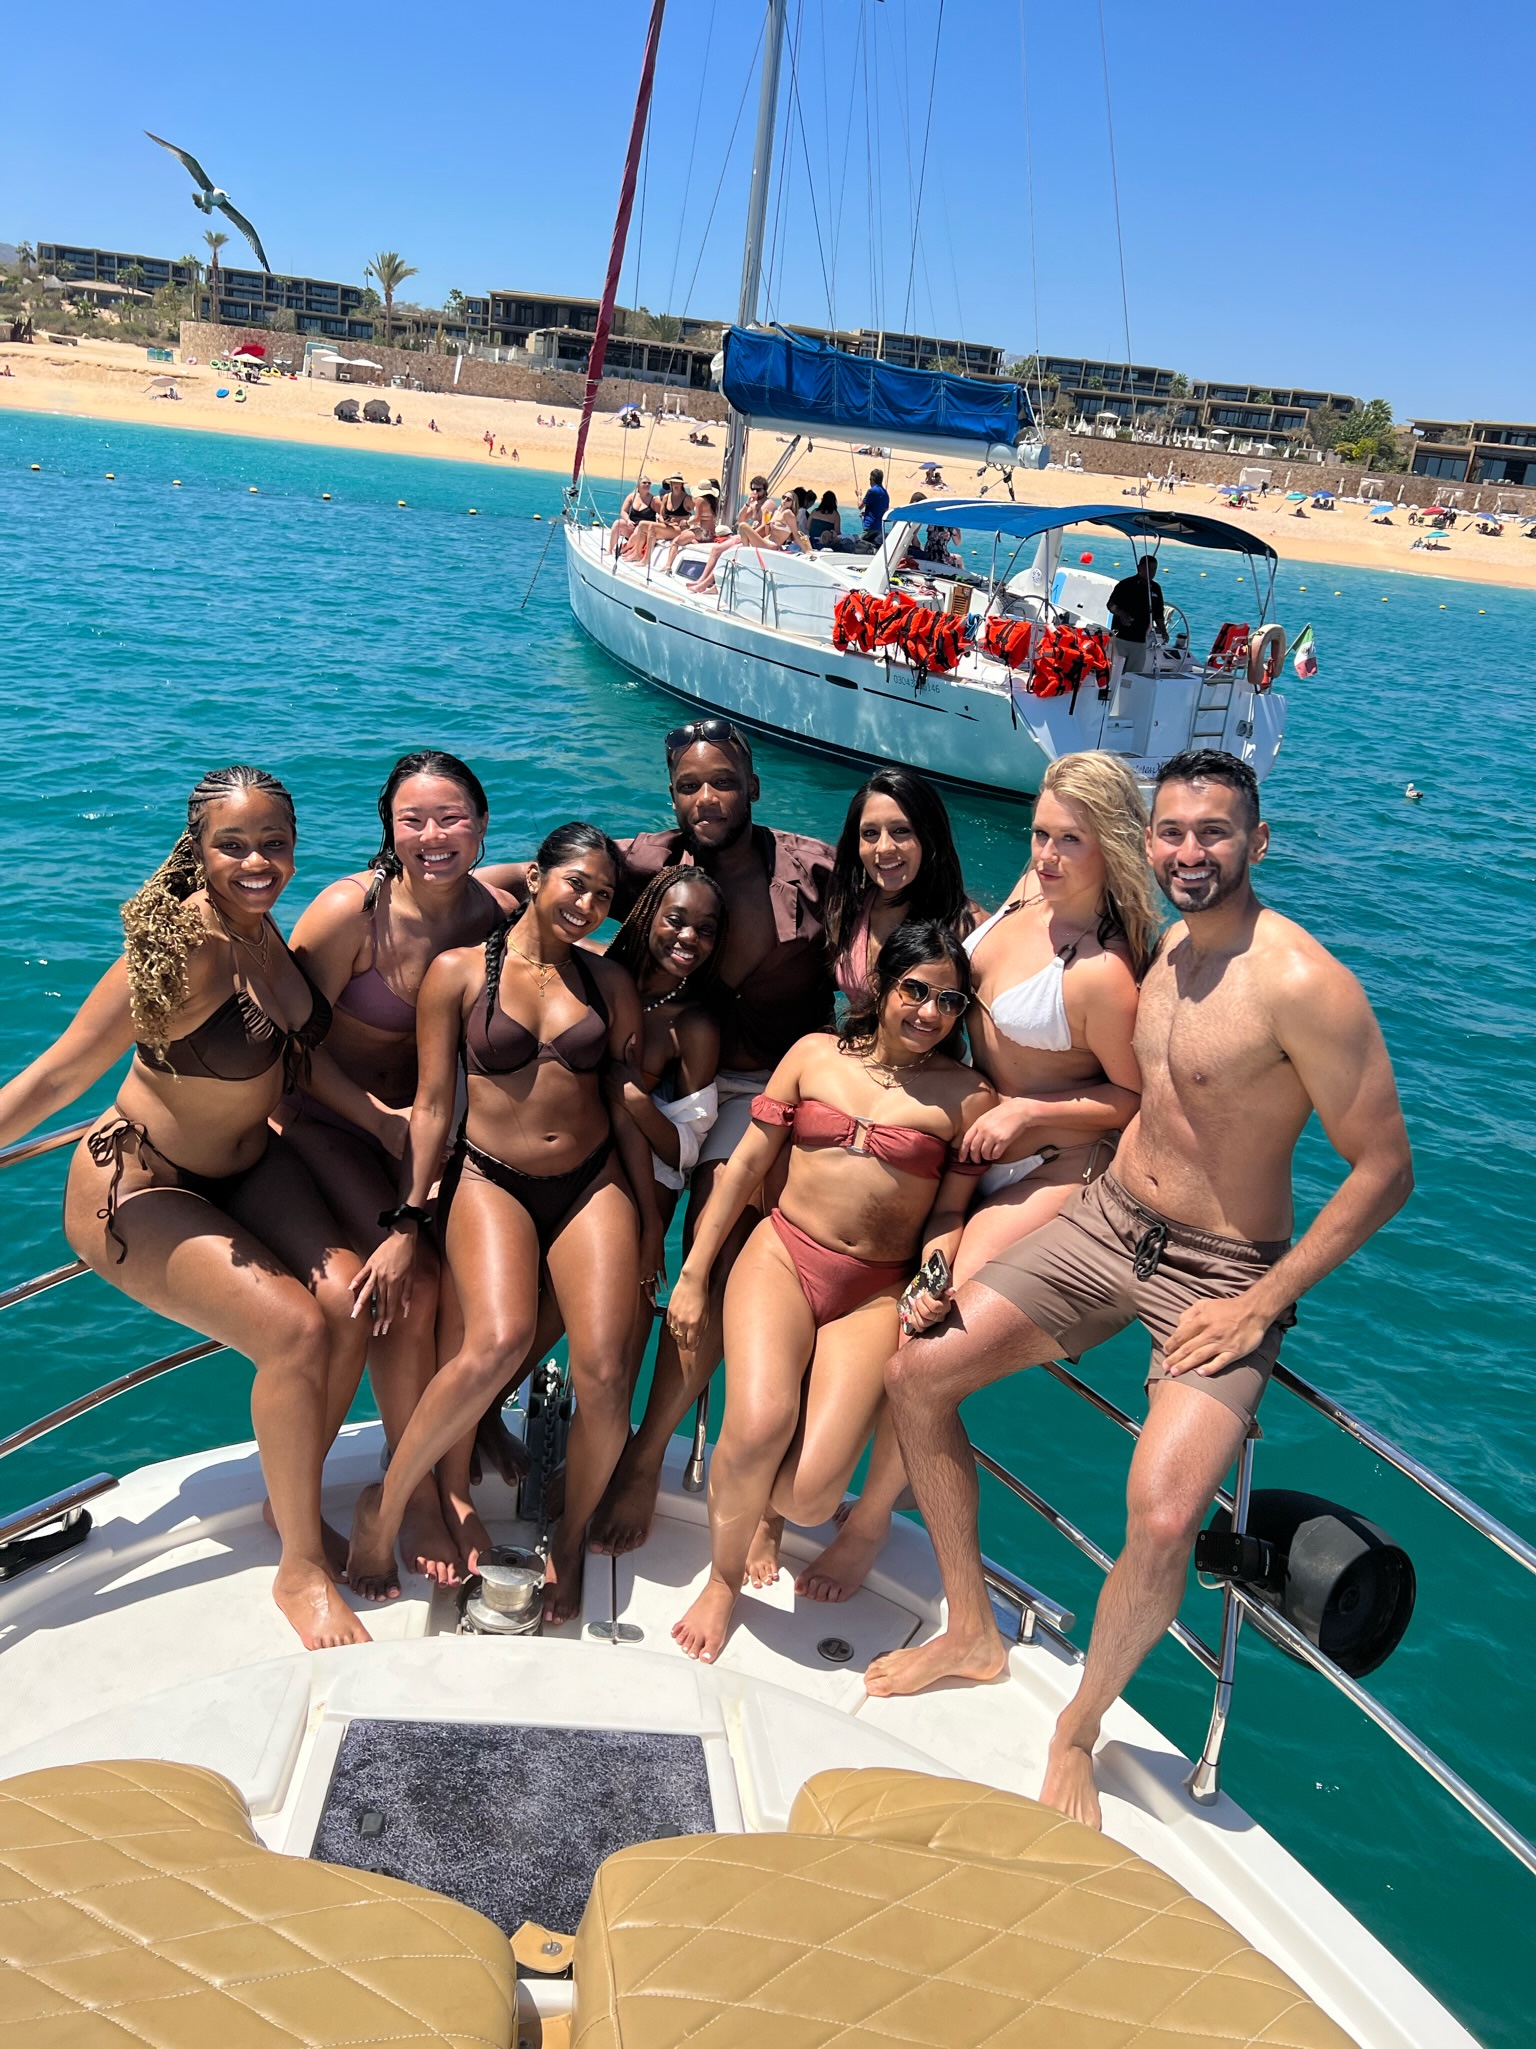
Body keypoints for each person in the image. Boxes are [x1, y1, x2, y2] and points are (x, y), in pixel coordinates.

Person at [863, 750, 1414, 1838]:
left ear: (1258, 843)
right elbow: (1041, 902)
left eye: (1214, 833)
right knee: (915, 1374)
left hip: (1223, 1272)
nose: (1189, 852)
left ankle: (1080, 1722)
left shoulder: (1302, 984)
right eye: (1171, 833)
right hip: (1109, 1222)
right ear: (1146, 844)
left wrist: (1263, 1304)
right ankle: (971, 1630)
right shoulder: (1158, 948)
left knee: (1163, 1517)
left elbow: (1385, 1170)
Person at [0, 766, 371, 1651]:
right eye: (232, 845)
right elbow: (60, 1071)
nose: (257, 861)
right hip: (142, 1183)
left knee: (352, 1299)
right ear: (195, 849)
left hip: (250, 1165)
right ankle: (301, 1566)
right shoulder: (181, 950)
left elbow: (292, 1053)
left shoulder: (263, 924)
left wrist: (386, 1122)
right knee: (295, 1333)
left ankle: (295, 1507)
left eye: (273, 843)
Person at [801, 753, 1152, 1604]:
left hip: (1045, 1166)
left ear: (1110, 845)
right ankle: (836, 1473)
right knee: (890, 1294)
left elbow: (1131, 1095)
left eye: (1071, 839)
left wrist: (1029, 1117)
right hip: (975, 1144)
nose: (1047, 854)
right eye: (1040, 833)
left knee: (924, 1335)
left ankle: (873, 1518)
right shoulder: (1026, 898)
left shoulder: (1103, 969)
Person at [483, 723, 835, 1555]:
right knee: (606, 1260)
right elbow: (521, 877)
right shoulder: (649, 858)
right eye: (688, 785)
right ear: (670, 791)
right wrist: (434, 890)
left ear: (753, 780)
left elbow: (924, 905)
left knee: (714, 1264)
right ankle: (512, 1414)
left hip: (763, 1085)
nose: (706, 800)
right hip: (679, 1070)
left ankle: (645, 1459)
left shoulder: (814, 864)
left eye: (721, 781)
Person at [347, 823, 663, 1624]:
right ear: (535, 878)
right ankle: (385, 1509)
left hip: (593, 1184)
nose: (588, 904)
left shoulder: (608, 983)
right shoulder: (458, 974)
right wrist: (407, 1219)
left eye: (602, 894)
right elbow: (432, 1104)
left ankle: (571, 1535)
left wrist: (654, 1225)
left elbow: (625, 1112)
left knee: (604, 1375)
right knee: (494, 1343)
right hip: (491, 1178)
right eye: (575, 884)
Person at [668, 922, 994, 1661]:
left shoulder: (968, 1096)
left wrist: (934, 1278)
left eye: (949, 1000)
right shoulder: (814, 1055)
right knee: (755, 1427)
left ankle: (773, 1516)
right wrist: (693, 1273)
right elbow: (749, 1163)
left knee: (810, 1495)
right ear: (882, 987)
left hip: (875, 1288)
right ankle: (722, 1580)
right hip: (782, 1256)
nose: (929, 1012)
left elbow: (948, 1211)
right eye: (915, 990)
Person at [280, 751, 518, 1588]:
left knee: (472, 1294)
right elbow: (287, 1045)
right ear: (388, 828)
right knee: (406, 1291)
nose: (433, 835)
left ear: (482, 827)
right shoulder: (352, 911)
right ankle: (410, 1490)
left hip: (420, 1134)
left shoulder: (496, 910)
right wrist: (374, 1119)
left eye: (451, 817)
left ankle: (448, 1459)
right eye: (413, 819)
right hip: (327, 1121)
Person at [602, 865, 728, 1391]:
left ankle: (611, 1465)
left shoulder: (692, 1025)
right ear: (646, 917)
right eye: (676, 920)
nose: (688, 938)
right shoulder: (598, 976)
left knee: (616, 1365)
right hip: (574, 1165)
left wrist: (632, 1095)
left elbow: (685, 1152)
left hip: (645, 1188)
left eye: (705, 929)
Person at [826, 767, 976, 1013]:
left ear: (930, 836)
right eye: (870, 833)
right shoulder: (850, 908)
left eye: (901, 831)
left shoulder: (967, 927)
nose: (884, 847)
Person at [623, 474, 692, 564]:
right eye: (673, 482)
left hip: (680, 528)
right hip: (668, 526)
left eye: (678, 483)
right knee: (643, 524)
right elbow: (661, 514)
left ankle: (645, 559)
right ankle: (637, 553)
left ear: (681, 485)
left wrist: (679, 519)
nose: (675, 485)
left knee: (651, 527)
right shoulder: (667, 497)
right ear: (670, 484)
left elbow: (691, 516)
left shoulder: (687, 499)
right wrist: (665, 521)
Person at [1106, 554, 1165, 647]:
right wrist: (1122, 614)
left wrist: (1163, 631)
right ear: (1139, 567)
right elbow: (1111, 605)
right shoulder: (1125, 585)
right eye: (1148, 568)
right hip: (1120, 637)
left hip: (1141, 640)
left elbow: (1158, 613)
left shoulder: (1156, 588)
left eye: (1154, 569)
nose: (1151, 572)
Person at [660, 491, 720, 574]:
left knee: (676, 542)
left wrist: (686, 522)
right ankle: (692, 540)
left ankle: (668, 565)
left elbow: (697, 519)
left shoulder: (700, 500)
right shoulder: (713, 501)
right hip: (711, 533)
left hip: (703, 533)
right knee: (689, 535)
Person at [610, 476, 657, 554]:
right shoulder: (632, 496)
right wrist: (628, 521)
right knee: (617, 523)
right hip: (632, 527)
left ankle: (624, 549)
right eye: (644, 483)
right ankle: (610, 549)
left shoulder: (654, 500)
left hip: (644, 531)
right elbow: (623, 511)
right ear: (638, 485)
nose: (647, 484)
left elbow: (662, 514)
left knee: (640, 527)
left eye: (649, 483)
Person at [859, 467, 890, 546]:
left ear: (873, 479)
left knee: (858, 546)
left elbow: (860, 506)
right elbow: (884, 511)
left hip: (869, 527)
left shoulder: (872, 491)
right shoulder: (886, 494)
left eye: (870, 479)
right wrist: (866, 514)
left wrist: (859, 495)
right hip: (879, 529)